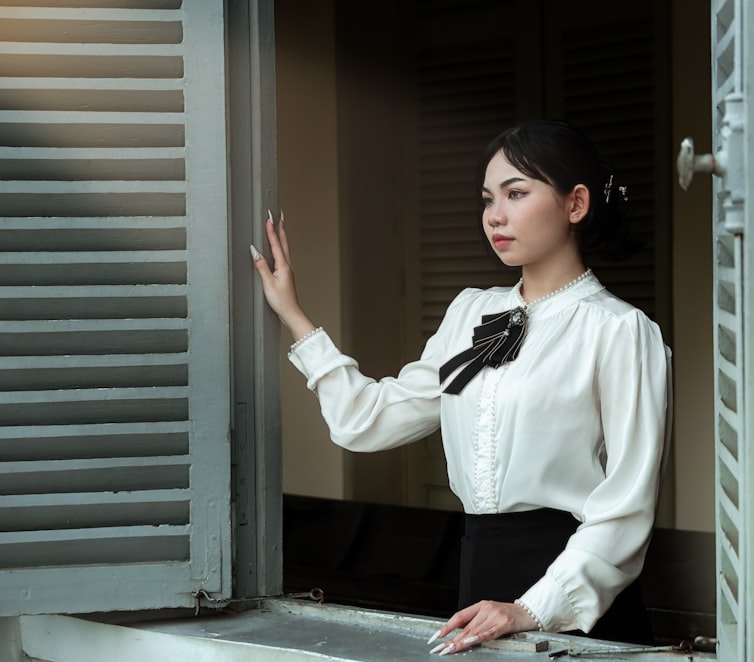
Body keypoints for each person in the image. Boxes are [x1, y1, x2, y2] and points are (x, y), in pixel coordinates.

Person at [251, 119, 670, 655]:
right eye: (487, 199)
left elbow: (627, 505)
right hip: (479, 586)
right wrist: (294, 314)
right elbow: (366, 421)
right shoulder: (472, 312)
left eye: (516, 194)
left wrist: (530, 607)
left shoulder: (619, 330)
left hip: (574, 598)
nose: (495, 215)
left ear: (577, 204)